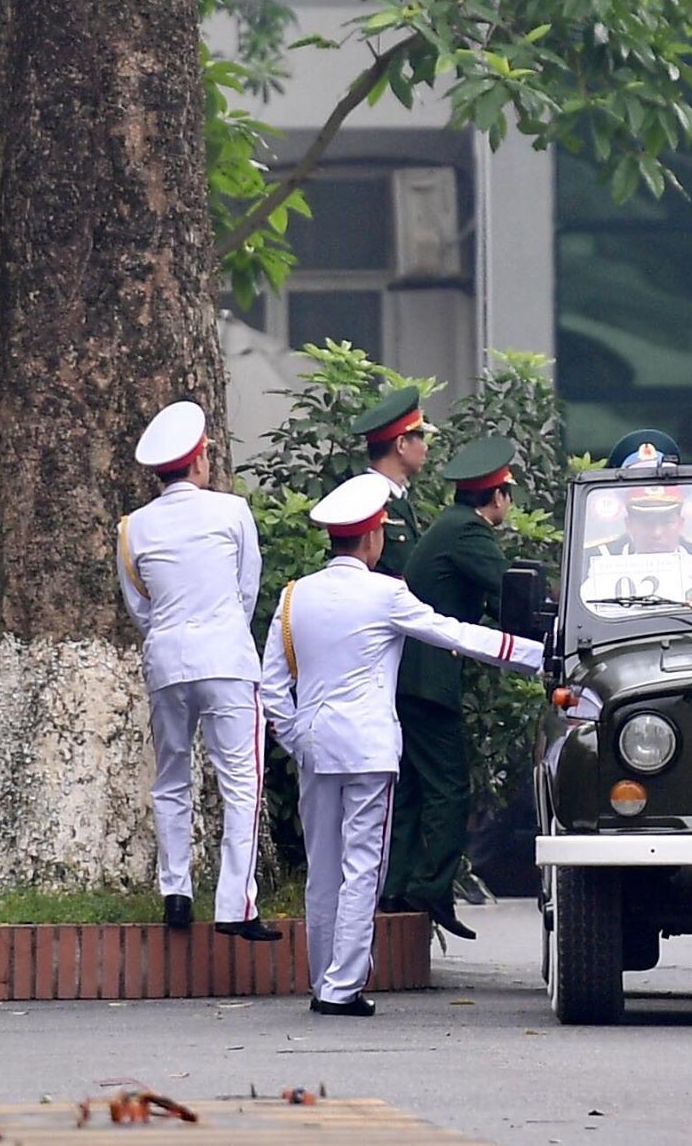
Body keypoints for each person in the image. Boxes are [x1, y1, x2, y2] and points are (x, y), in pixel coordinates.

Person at [260, 472, 542, 1017]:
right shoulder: (386, 593)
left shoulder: (296, 596)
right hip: (366, 748)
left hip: (315, 746)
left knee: (324, 867)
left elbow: (272, 684)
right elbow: (458, 634)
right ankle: (340, 987)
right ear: (372, 537)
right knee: (363, 864)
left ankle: (324, 980)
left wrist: (296, 736)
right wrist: (535, 653)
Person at [117, 401, 279, 940]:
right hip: (226, 657)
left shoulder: (132, 528)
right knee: (242, 783)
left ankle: (176, 892)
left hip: (165, 661)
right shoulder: (232, 512)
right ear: (201, 457)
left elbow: (138, 606)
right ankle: (235, 905)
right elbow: (246, 591)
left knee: (171, 778)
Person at [381, 437, 522, 937]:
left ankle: (396, 888)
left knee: (418, 788)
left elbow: (488, 604)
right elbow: (509, 591)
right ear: (497, 497)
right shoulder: (469, 533)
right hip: (428, 676)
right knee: (449, 786)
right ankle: (431, 889)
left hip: (414, 673)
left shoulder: (451, 525)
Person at [350, 385, 439, 577]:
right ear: (401, 444)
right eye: (420, 438)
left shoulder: (398, 499)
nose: (425, 448)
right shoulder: (367, 500)